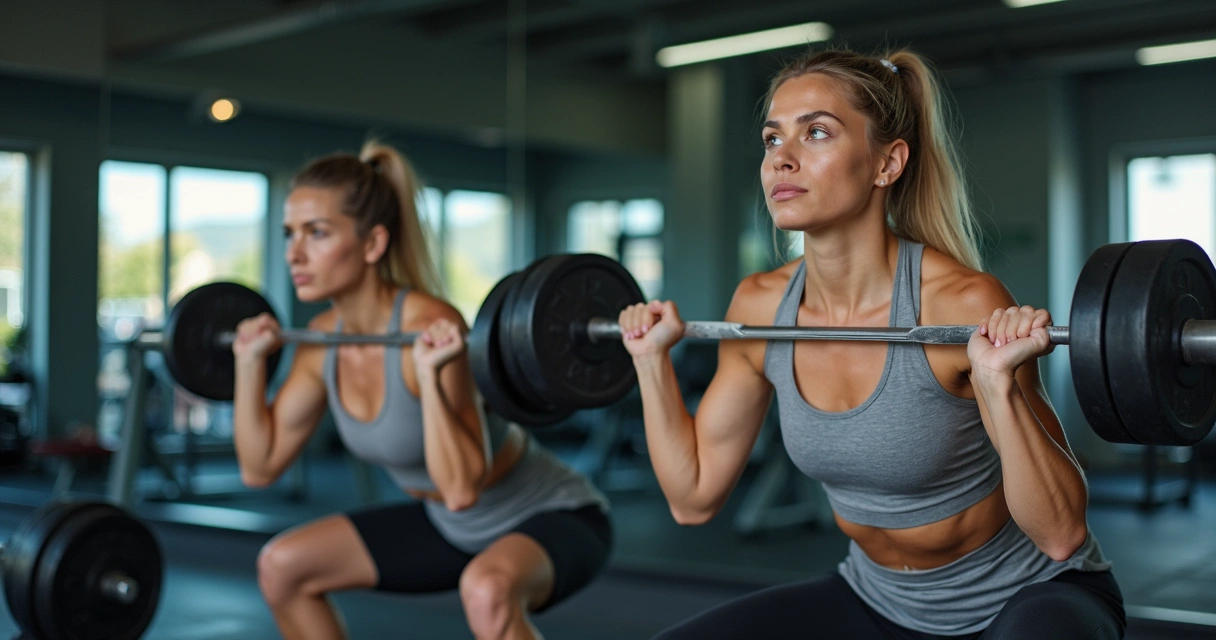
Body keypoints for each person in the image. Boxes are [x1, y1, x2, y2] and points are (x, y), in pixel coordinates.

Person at [617, 49, 1124, 639]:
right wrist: (651, 361)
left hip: (1028, 598)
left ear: (887, 163)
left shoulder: (959, 303)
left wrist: (996, 386)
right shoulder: (759, 308)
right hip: (879, 602)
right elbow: (693, 497)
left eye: (817, 133)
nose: (781, 157)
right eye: (771, 137)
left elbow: (1061, 534)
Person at [230, 141, 611, 640]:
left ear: (372, 245)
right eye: (289, 233)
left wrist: (429, 377)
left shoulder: (430, 325)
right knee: (282, 566)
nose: (293, 253)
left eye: (316, 233)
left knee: (487, 591)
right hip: (449, 527)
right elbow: (260, 467)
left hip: (553, 515)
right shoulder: (320, 342)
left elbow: (460, 488)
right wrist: (247, 366)